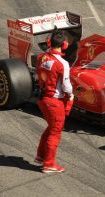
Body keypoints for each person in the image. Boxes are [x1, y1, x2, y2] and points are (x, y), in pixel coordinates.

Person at [35, 29, 74, 173]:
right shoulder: (62, 63)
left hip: (41, 98)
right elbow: (66, 87)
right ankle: (49, 164)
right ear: (64, 45)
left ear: (49, 42)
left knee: (51, 127)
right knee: (55, 131)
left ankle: (41, 156)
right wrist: (71, 95)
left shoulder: (41, 57)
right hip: (54, 101)